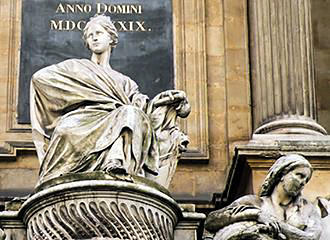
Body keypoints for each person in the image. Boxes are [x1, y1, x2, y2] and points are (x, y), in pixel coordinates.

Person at [30, 15, 190, 187]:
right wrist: (80, 94)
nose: (94, 37)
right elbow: (39, 79)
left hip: (120, 118)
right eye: (90, 35)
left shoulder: (126, 82)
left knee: (129, 113)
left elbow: (143, 110)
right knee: (67, 128)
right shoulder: (76, 67)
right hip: (84, 119)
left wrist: (165, 101)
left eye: (99, 33)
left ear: (111, 38)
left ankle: (116, 161)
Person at [203, 154, 323, 240]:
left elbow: (310, 237)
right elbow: (211, 221)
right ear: (281, 174)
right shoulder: (253, 202)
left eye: (306, 180)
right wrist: (256, 215)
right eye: (300, 176)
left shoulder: (307, 209)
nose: (303, 182)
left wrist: (274, 225)